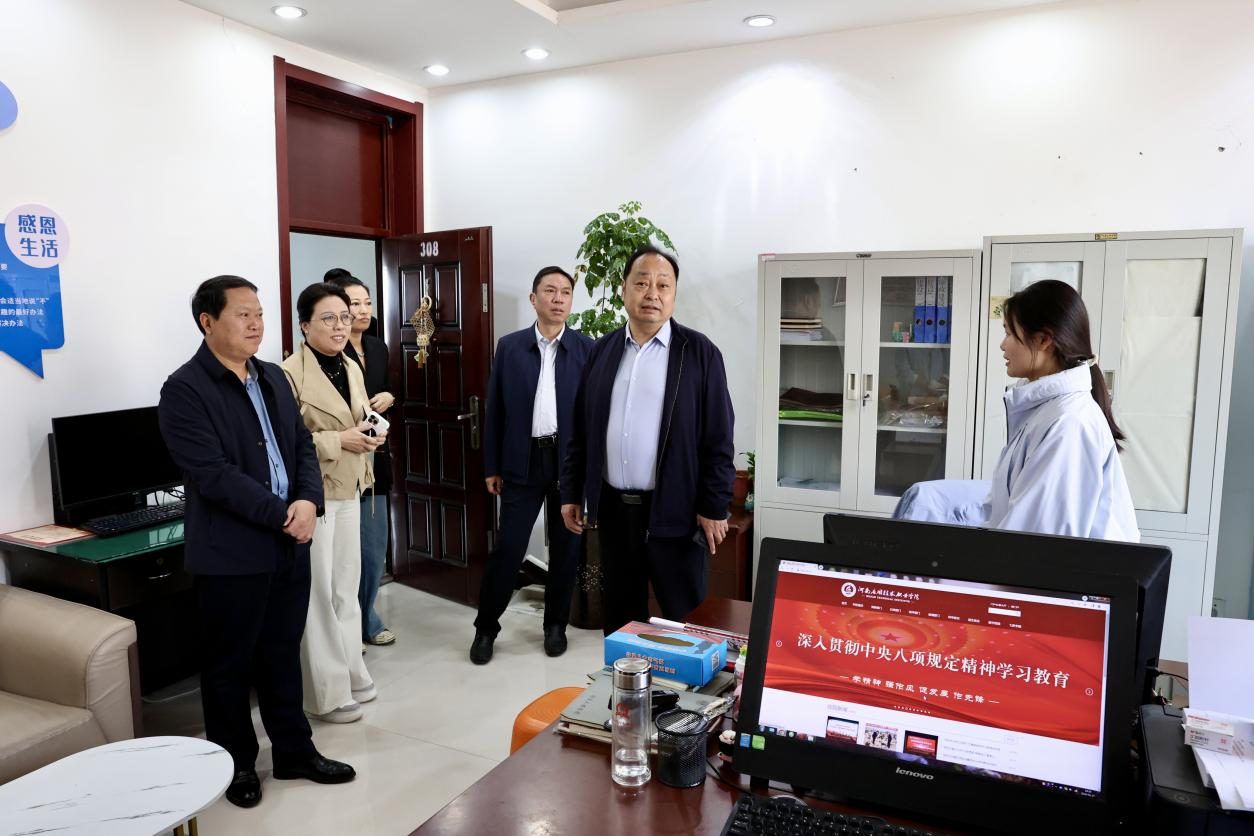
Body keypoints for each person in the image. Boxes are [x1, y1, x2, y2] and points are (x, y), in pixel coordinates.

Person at [158, 275, 355, 809]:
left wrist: (308, 501)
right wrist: (283, 515)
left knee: (281, 654)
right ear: (208, 322)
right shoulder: (184, 390)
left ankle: (293, 752)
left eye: (260, 314)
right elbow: (213, 474)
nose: (256, 324)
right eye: (243, 314)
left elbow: (301, 447)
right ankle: (235, 764)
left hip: (289, 543)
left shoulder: (270, 377)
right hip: (232, 551)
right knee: (230, 665)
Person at [560, 244, 736, 634]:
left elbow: (719, 438)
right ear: (623, 289)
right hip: (614, 511)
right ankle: (625, 676)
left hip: (677, 511)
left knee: (686, 621)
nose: (652, 293)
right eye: (642, 283)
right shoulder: (602, 351)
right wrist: (572, 491)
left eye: (663, 285)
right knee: (622, 621)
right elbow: (581, 429)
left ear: (674, 294)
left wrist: (714, 505)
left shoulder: (699, 353)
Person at [893, 279, 1138, 542]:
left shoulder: (1069, 424)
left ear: (1043, 339)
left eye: (1009, 333)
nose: (1003, 345)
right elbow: (1007, 508)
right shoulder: (1046, 411)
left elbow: (1034, 544)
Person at [469, 266, 594, 664]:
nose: (558, 298)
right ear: (533, 298)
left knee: (566, 549)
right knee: (508, 548)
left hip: (568, 463)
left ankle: (555, 626)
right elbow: (495, 410)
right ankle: (486, 628)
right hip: (522, 460)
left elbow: (594, 416)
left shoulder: (587, 349)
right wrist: (492, 465)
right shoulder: (510, 347)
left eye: (565, 292)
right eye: (550, 291)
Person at [282, 282, 382, 723]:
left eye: (345, 317)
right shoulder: (289, 374)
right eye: (329, 318)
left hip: (352, 485)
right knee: (318, 593)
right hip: (314, 493)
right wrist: (339, 440)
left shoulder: (351, 365)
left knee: (346, 586)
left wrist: (370, 434)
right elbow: (287, 443)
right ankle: (326, 692)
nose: (341, 325)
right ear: (305, 325)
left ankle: (352, 671)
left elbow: (357, 420)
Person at [324, 268, 397, 648]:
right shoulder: (331, 353)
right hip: (341, 461)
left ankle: (366, 616)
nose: (363, 310)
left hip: (376, 460)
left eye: (367, 302)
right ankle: (343, 627)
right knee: (342, 556)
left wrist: (390, 396)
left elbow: (388, 390)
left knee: (372, 550)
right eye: (355, 303)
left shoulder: (378, 347)